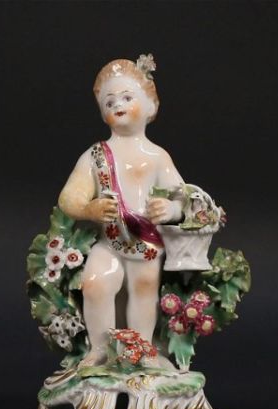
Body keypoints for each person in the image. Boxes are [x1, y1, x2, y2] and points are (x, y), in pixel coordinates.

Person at [55, 55, 184, 368]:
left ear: (151, 105)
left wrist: (169, 209)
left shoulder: (157, 157)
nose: (118, 105)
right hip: (109, 241)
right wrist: (89, 208)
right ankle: (100, 348)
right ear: (103, 112)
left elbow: (183, 198)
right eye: (110, 102)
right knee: (95, 282)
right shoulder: (95, 156)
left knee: (144, 288)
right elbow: (68, 198)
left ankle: (142, 349)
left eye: (127, 98)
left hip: (146, 245)